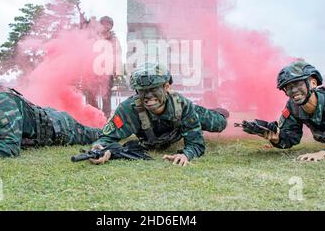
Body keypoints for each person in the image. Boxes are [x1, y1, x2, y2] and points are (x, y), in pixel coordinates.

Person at [89, 63, 229, 167]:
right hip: (156, 134)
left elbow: (196, 144)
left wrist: (186, 154)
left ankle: (218, 111)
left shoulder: (183, 106)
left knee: (219, 123)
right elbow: (106, 137)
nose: (148, 96)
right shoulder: (128, 109)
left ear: (166, 87)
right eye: (143, 91)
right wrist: (100, 149)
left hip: (190, 113)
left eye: (154, 89)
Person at [238, 60, 325, 161]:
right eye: (288, 87)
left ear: (313, 83)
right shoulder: (294, 106)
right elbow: (290, 138)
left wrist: (324, 154)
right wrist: (276, 137)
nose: (293, 91)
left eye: (297, 84)